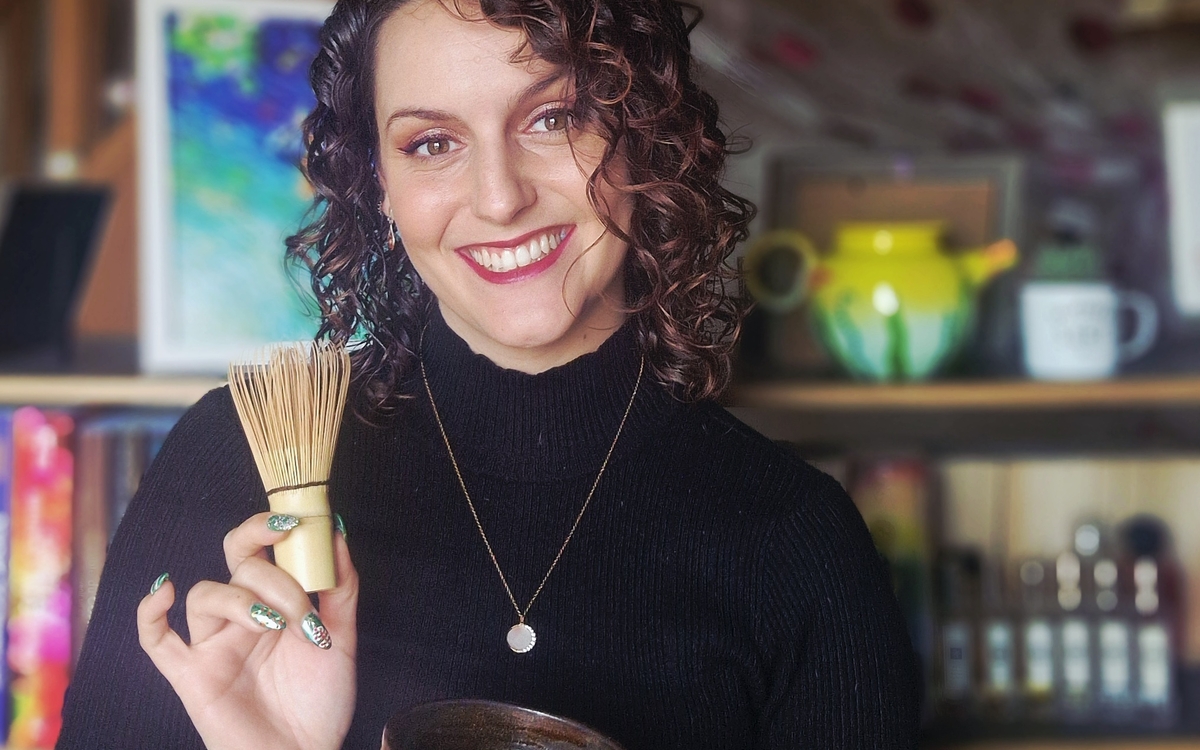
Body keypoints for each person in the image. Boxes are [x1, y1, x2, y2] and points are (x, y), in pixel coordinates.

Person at [58, 0, 921, 747]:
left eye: (552, 118)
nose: (499, 197)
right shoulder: (238, 462)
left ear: (644, 136)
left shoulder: (795, 541)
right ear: (380, 187)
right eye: (432, 142)